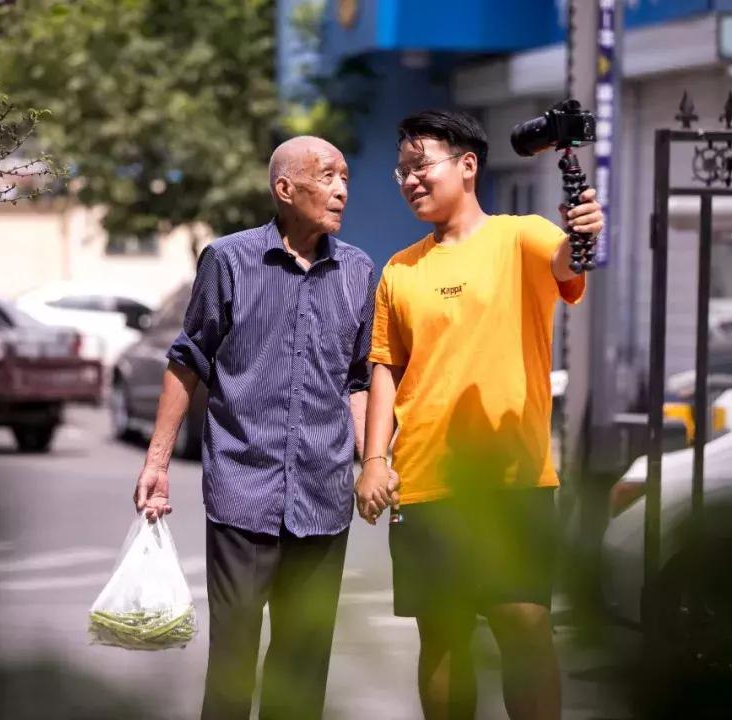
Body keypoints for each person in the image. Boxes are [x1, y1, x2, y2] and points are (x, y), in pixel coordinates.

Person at [133, 136, 395, 720]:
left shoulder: (358, 270)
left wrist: (373, 460)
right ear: (285, 189)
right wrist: (157, 463)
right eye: (327, 176)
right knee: (232, 666)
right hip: (241, 493)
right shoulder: (228, 261)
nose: (341, 189)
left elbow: (358, 378)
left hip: (324, 497)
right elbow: (187, 360)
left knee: (302, 671)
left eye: (345, 177)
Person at [355, 110, 604, 720]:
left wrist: (586, 229)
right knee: (442, 636)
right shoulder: (399, 269)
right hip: (424, 478)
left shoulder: (521, 237)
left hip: (511, 477)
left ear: (468, 166)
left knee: (524, 627)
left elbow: (572, 260)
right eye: (403, 171)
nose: (411, 180)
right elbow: (385, 368)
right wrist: (373, 459)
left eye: (423, 166)